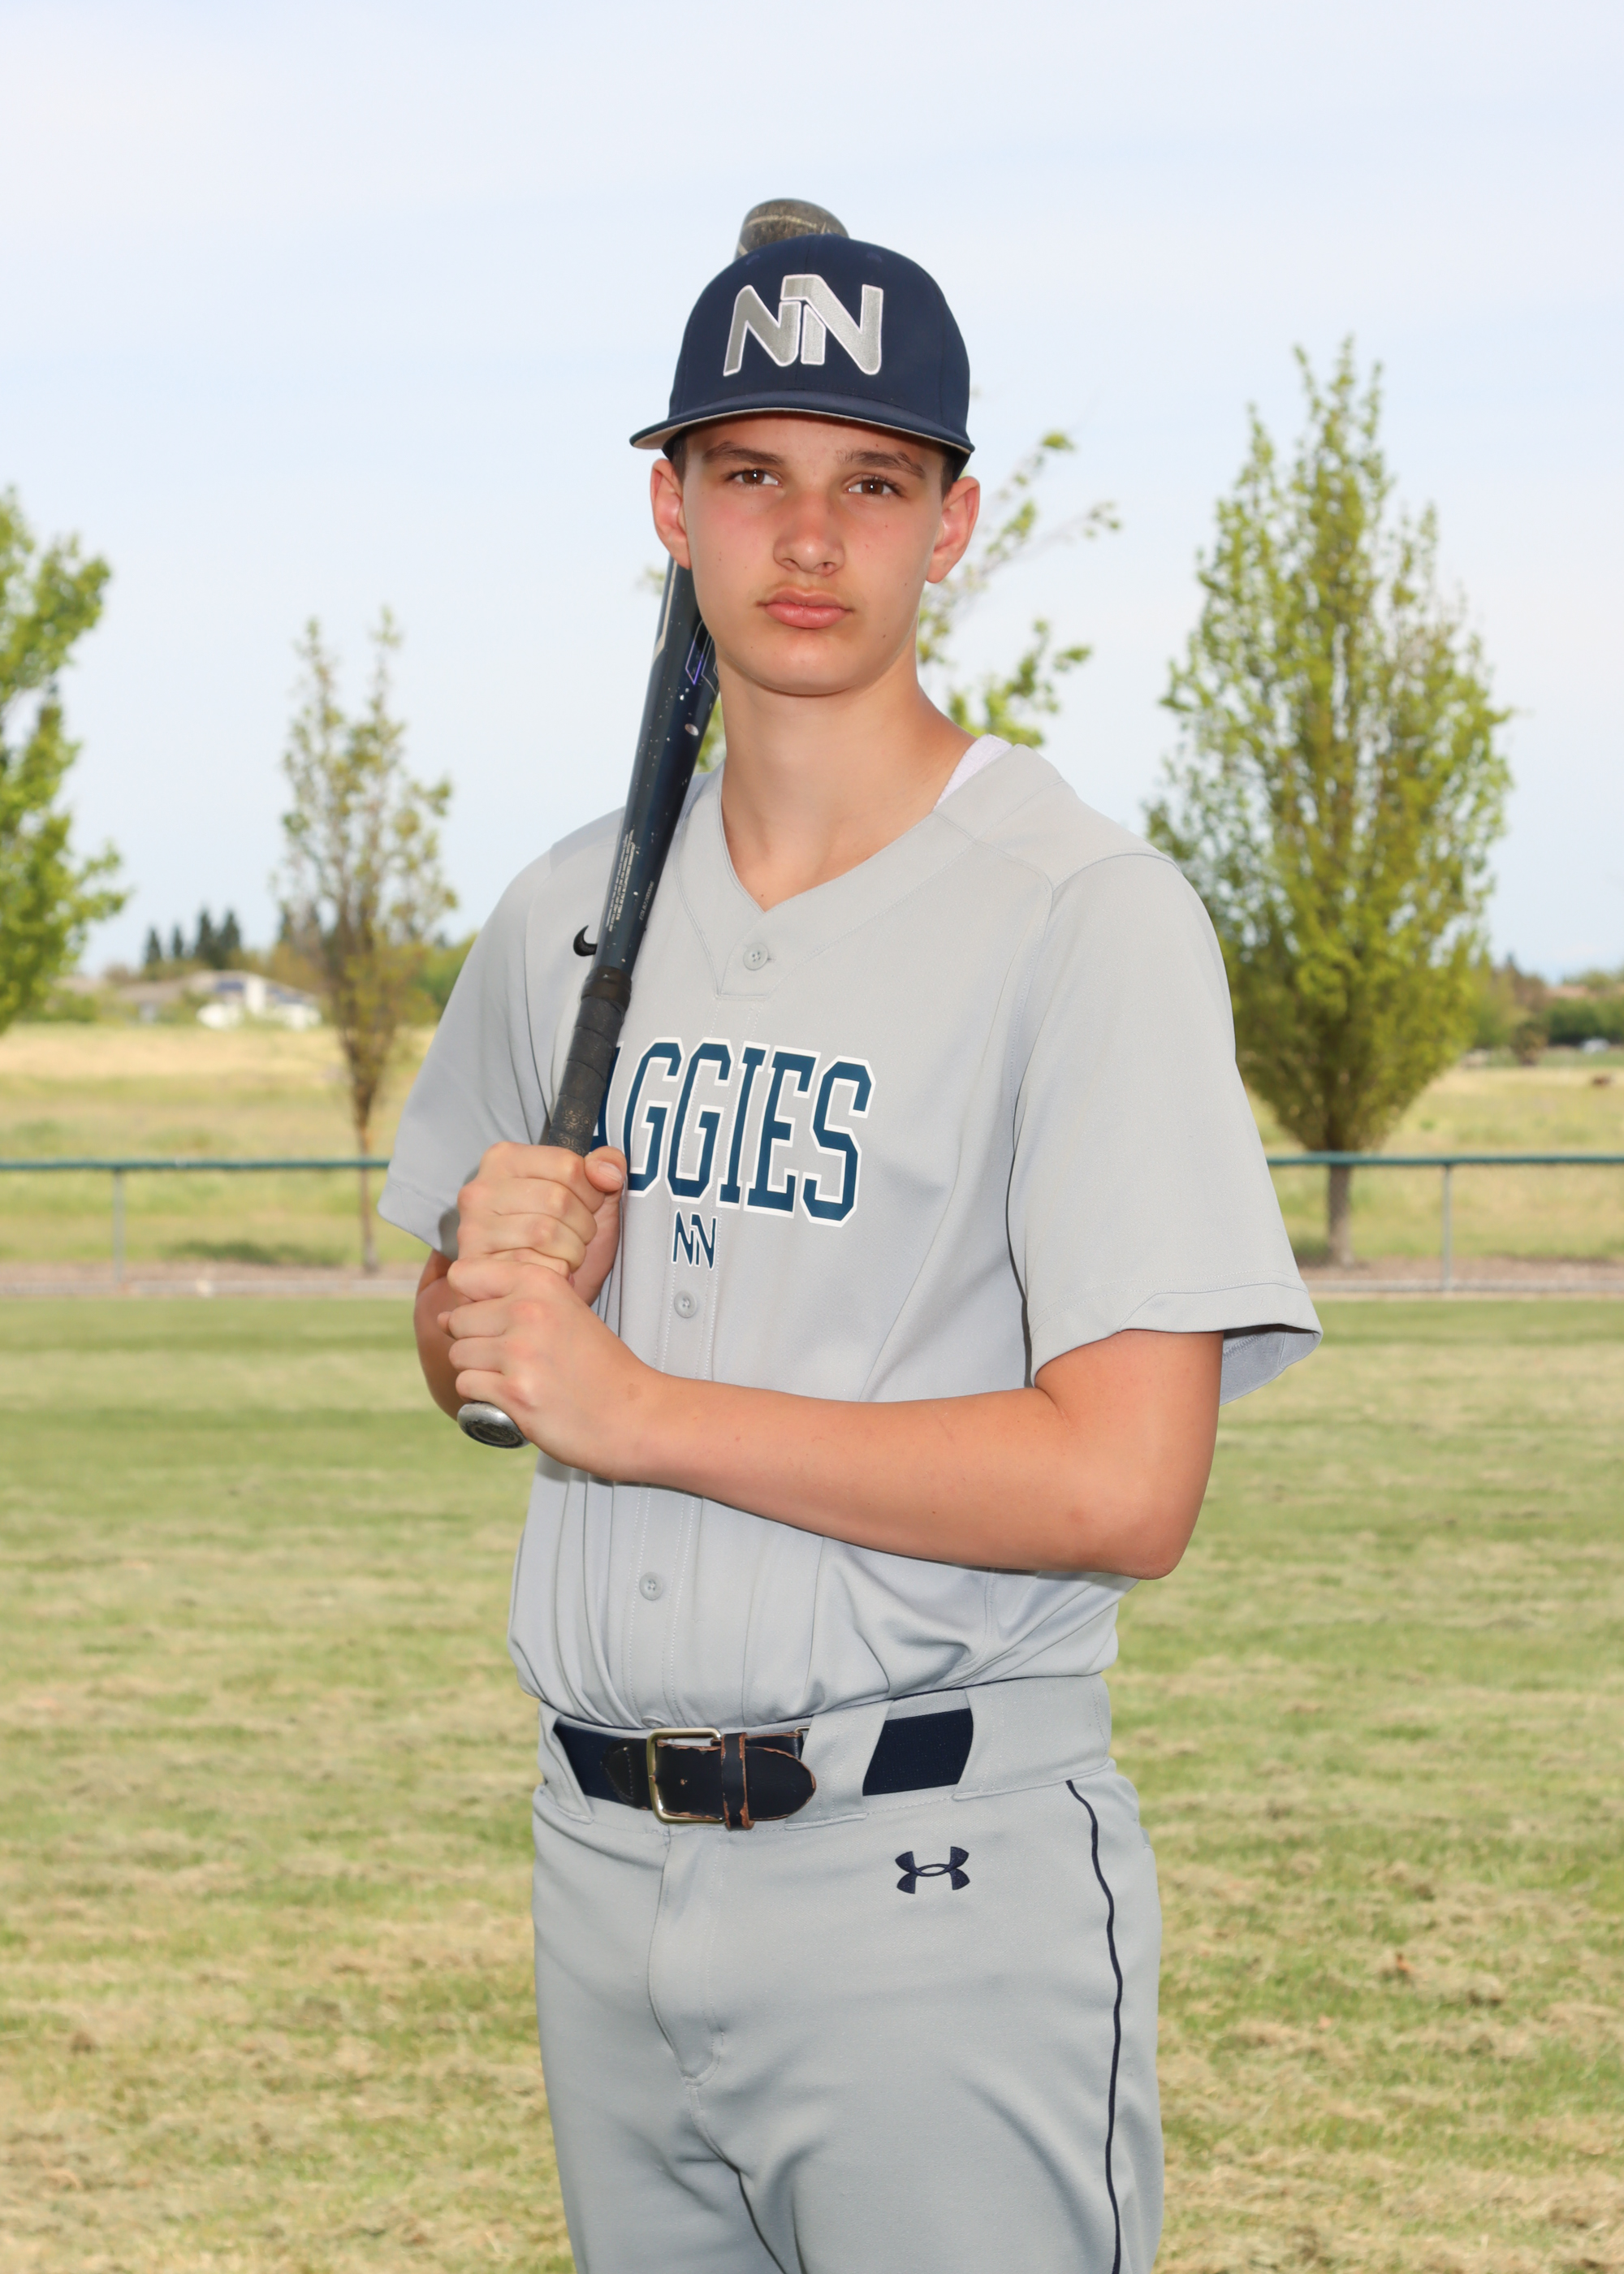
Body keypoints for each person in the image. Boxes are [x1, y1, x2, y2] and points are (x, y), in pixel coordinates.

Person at [379, 231, 1320, 2274]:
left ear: (951, 524)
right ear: (671, 508)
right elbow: (471, 1353)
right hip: (598, 1864)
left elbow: (1125, 1483)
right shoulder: (565, 910)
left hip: (932, 1879)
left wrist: (638, 1405)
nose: (808, 537)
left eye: (871, 482)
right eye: (751, 475)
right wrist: (477, 1305)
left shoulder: (1079, 913)